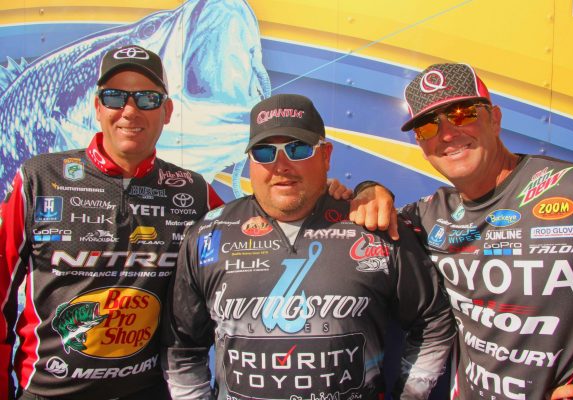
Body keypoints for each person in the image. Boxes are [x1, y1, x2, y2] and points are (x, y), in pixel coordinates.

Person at [349, 63, 573, 399]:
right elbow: (369, 225)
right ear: (421, 144)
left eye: (462, 114)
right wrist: (368, 188)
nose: (447, 134)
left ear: (495, 119)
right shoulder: (429, 215)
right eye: (427, 127)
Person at [161, 93, 456, 399]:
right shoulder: (208, 234)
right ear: (250, 161)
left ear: (325, 155)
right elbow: (182, 348)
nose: (281, 165)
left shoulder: (372, 227)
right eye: (264, 152)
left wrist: (412, 394)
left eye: (297, 148)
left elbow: (433, 321)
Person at [0, 45, 226, 400]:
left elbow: (253, 247)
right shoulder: (38, 178)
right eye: (115, 97)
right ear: (97, 107)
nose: (130, 111)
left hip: (150, 392)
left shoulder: (194, 191)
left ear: (167, 111)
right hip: (48, 392)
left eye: (148, 99)